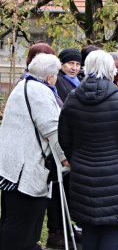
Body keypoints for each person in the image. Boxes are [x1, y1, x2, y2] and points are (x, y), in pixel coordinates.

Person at [58, 50, 118, 250]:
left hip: (83, 173)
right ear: (111, 71)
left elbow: (64, 138)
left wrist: (76, 159)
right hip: (115, 173)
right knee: (111, 229)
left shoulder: (72, 98)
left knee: (88, 228)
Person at [0, 53, 68, 250]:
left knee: (12, 220)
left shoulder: (24, 85)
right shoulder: (39, 91)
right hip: (24, 170)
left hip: (12, 167)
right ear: (49, 77)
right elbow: (53, 129)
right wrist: (65, 159)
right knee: (23, 224)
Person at [48, 48, 83, 248]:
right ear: (62, 64)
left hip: (71, 142)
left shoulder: (75, 82)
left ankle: (66, 227)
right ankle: (56, 231)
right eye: (70, 63)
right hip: (59, 143)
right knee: (57, 189)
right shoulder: (59, 82)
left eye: (77, 64)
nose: (74, 67)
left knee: (68, 190)